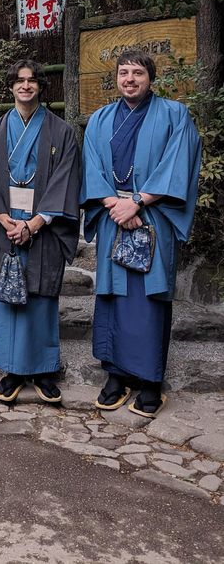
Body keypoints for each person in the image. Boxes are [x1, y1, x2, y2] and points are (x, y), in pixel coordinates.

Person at [81, 50, 201, 418]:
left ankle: (150, 381)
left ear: (151, 77)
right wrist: (113, 204)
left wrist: (136, 202)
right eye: (123, 73)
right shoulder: (100, 119)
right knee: (113, 295)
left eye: (137, 72)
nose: (129, 79)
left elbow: (178, 163)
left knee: (148, 298)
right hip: (111, 214)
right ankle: (115, 375)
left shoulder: (174, 114)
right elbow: (91, 166)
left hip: (153, 216)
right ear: (115, 78)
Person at [0, 60, 80, 405]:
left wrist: (35, 223)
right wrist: (5, 221)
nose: (26, 86)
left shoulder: (61, 131)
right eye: (19, 81)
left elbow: (66, 177)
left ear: (40, 86)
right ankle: (11, 370)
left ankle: (44, 369)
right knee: (7, 299)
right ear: (10, 87)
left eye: (32, 80)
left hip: (43, 226)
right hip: (5, 225)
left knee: (40, 298)